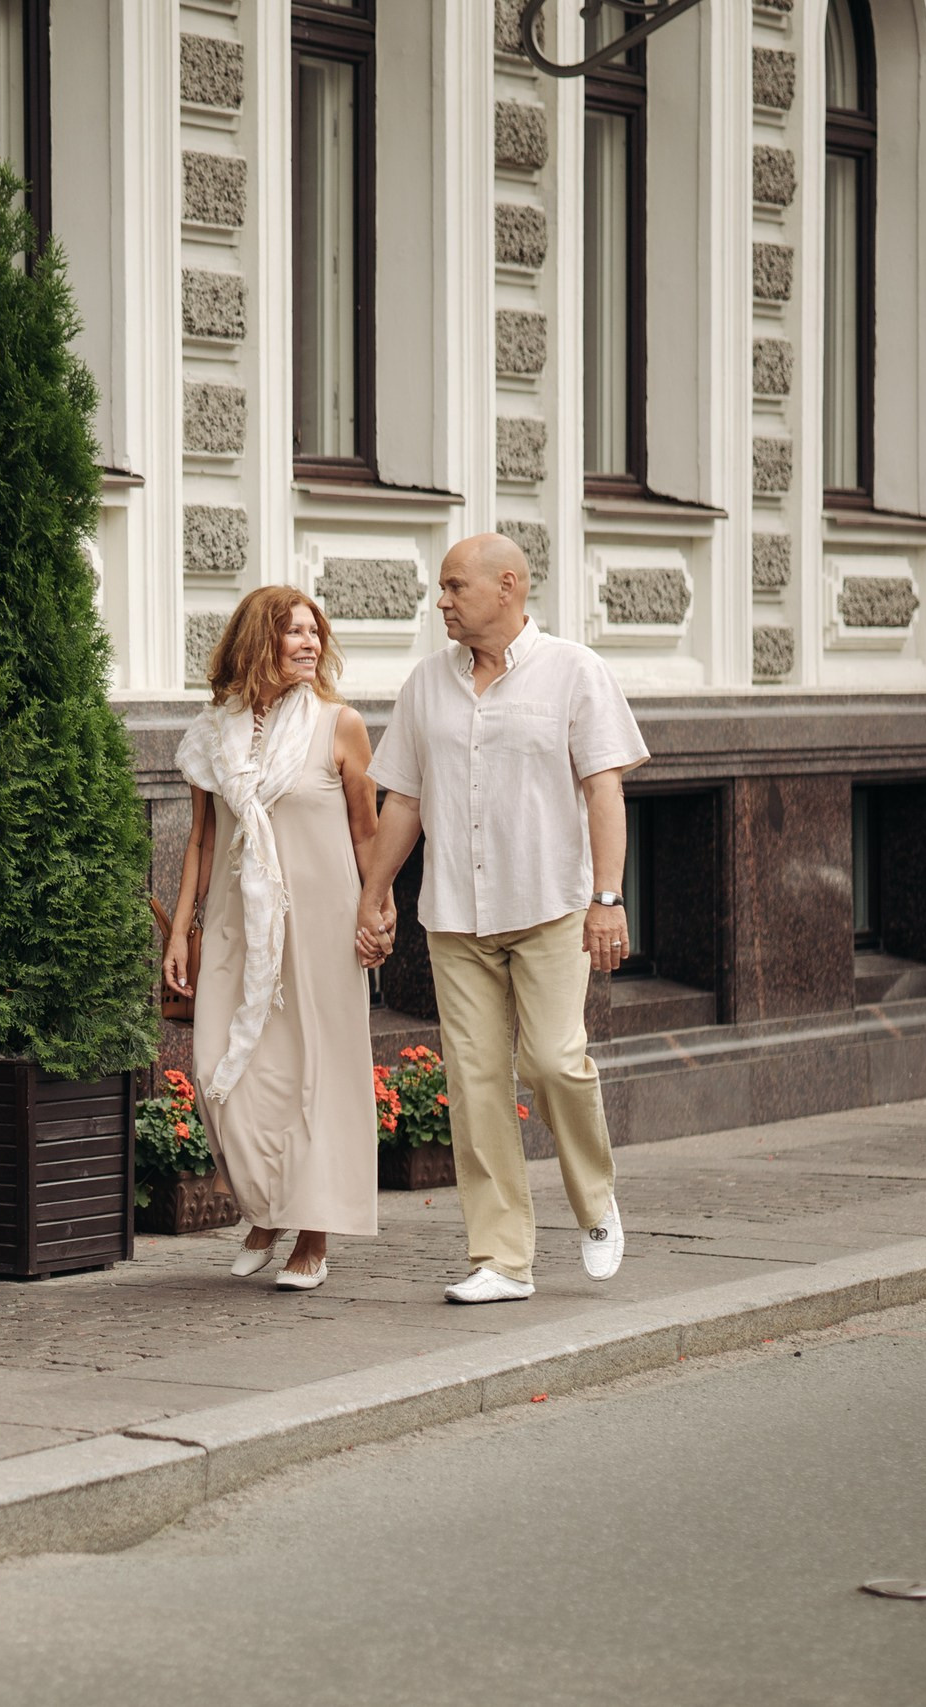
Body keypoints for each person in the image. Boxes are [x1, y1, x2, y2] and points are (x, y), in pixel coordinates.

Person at [352, 533, 648, 1304]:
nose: (441, 601)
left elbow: (604, 792)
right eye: (441, 589)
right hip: (454, 912)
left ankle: (594, 1201)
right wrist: (374, 892)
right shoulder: (427, 684)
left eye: (454, 586)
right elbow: (405, 801)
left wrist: (607, 899)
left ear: (508, 585)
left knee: (552, 1061)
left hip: (549, 902)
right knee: (477, 1084)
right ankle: (502, 1257)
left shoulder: (575, 671)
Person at [164, 586, 392, 1291]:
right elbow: (203, 838)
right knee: (219, 1070)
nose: (310, 643)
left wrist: (376, 911)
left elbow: (366, 832)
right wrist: (179, 929)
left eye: (315, 631)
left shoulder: (339, 725)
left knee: (315, 1073)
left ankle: (311, 1234)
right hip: (238, 925)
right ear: (257, 642)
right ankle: (265, 1207)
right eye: (293, 632)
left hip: (322, 922)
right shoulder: (213, 732)